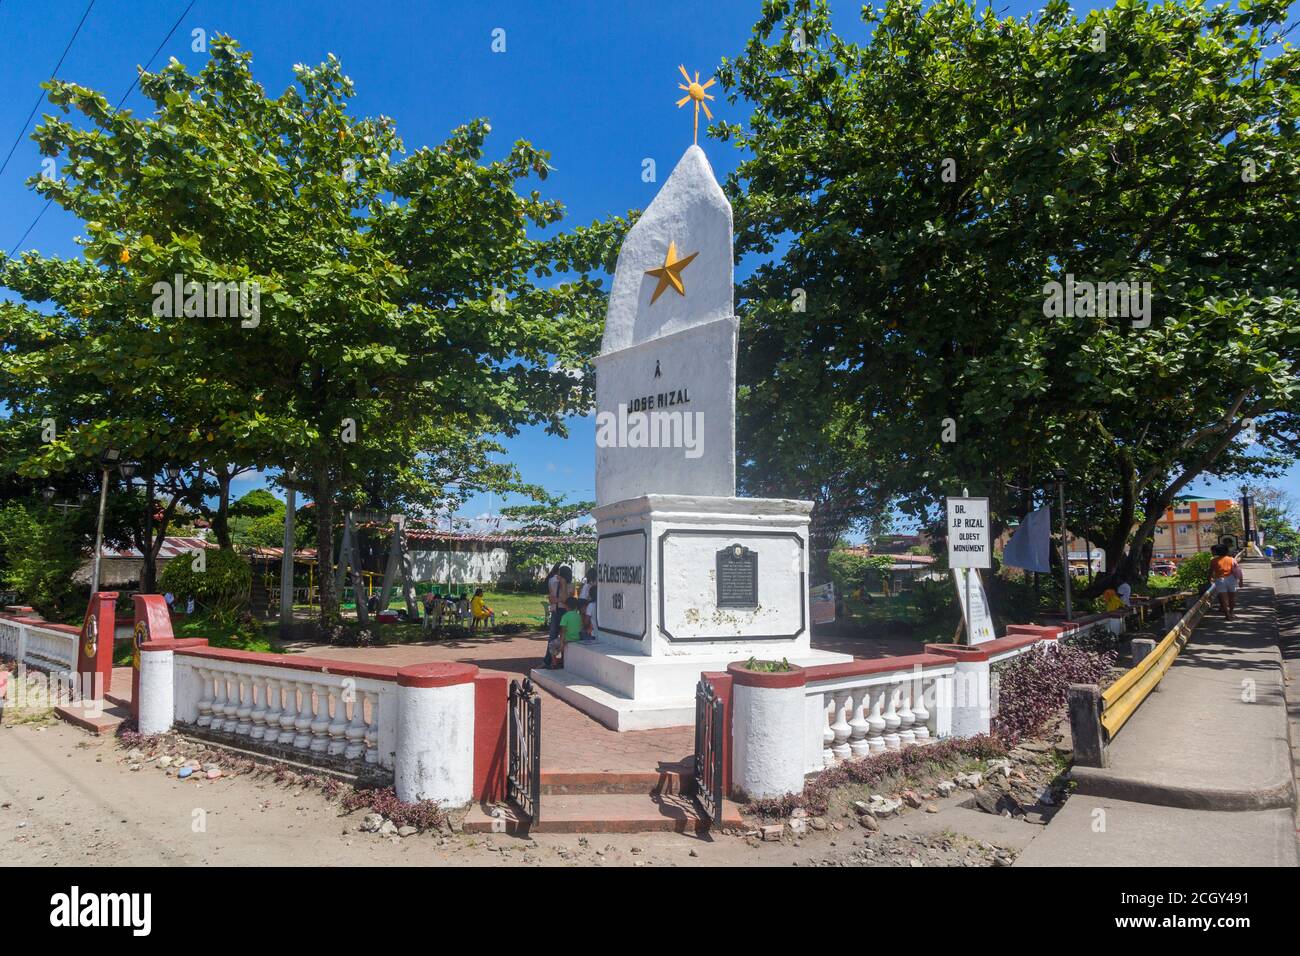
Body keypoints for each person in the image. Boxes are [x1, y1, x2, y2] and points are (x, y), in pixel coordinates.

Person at [1207, 545, 1244, 620]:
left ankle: (1227, 615)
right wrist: (1241, 580)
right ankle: (1231, 613)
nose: (1212, 552)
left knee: (1224, 599)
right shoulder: (1231, 559)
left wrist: (1209, 579)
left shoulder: (1213, 560)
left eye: (1213, 551)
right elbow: (1238, 570)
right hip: (1231, 579)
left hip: (1220, 580)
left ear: (1217, 551)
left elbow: (1210, 571)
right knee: (1232, 598)